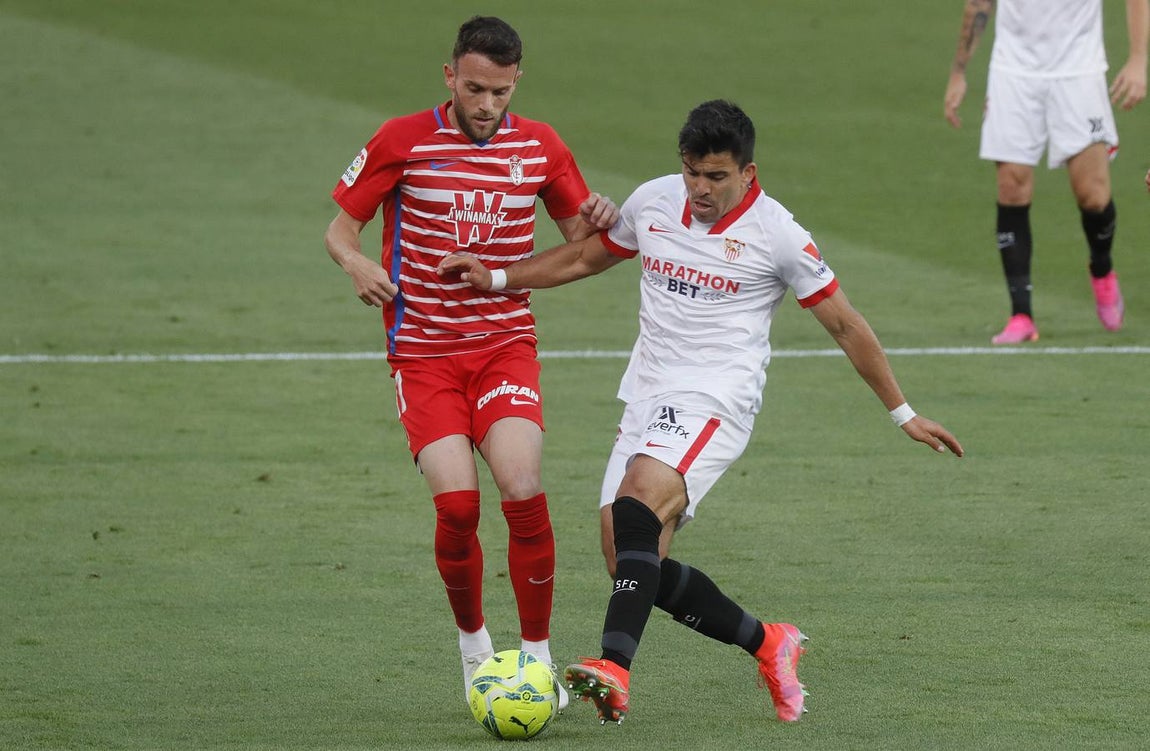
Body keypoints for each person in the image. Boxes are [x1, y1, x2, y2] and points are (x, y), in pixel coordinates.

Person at [438, 100, 965, 725]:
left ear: (748, 172)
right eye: (692, 173)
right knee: (626, 555)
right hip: (647, 393)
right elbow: (585, 258)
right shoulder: (654, 201)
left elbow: (847, 325)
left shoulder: (778, 234)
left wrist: (902, 413)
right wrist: (497, 278)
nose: (700, 189)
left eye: (716, 176)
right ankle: (770, 643)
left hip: (718, 398)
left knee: (637, 503)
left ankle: (613, 668)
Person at [323, 15, 618, 708]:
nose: (487, 106)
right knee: (457, 505)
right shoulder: (402, 140)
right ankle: (474, 645)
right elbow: (340, 228)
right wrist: (355, 261)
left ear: (518, 82)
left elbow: (583, 246)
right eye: (476, 88)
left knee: (522, 484)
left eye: (501, 92)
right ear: (450, 76)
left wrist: (602, 217)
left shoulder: (541, 147)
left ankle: (538, 659)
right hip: (422, 354)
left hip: (503, 346)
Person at [944, 0, 1148, 344]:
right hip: (1014, 71)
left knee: (1093, 196)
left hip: (1079, 69)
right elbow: (980, 3)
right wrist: (959, 72)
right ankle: (1021, 314)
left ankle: (1101, 266)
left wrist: (1139, 59)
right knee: (1011, 186)